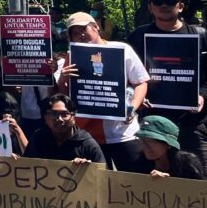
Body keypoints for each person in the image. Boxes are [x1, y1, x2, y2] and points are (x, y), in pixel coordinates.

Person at [127, 0, 207, 179]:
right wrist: (136, 97)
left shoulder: (198, 34)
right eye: (158, 1)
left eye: (170, 1)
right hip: (154, 122)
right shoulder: (138, 36)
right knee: (155, 180)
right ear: (150, 7)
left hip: (192, 121)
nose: (164, 5)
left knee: (202, 180)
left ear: (180, 6)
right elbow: (126, 75)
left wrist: (202, 96)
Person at [56, 11, 150, 172]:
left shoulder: (122, 49)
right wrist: (62, 79)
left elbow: (141, 82)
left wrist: (132, 107)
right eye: (75, 33)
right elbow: (66, 97)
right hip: (89, 136)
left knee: (134, 183)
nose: (80, 35)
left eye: (83, 30)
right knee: (97, 188)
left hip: (124, 133)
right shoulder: (72, 56)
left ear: (96, 27)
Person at [24, 93, 106, 164]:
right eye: (54, 114)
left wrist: (89, 168)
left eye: (65, 114)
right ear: (45, 117)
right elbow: (26, 167)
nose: (59, 119)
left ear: (73, 117)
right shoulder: (38, 139)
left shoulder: (87, 144)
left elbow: (103, 176)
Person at [136, 115, 207, 180]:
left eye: (151, 141)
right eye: (142, 140)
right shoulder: (140, 164)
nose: (145, 146)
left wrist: (169, 182)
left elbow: (201, 191)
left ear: (168, 144)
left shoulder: (188, 165)